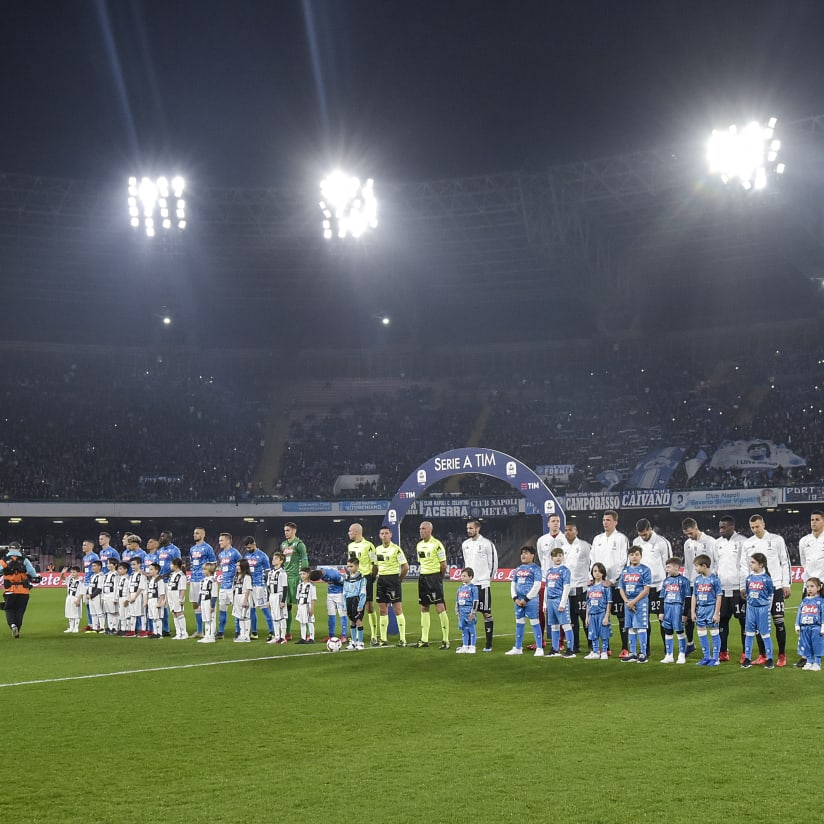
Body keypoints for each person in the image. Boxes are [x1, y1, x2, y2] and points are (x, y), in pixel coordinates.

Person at [741, 514, 791, 667]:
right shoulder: (747, 543)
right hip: (756, 588)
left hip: (775, 586)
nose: (755, 530)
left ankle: (781, 655)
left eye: (757, 526)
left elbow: (785, 562)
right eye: (752, 527)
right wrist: (743, 586)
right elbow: (744, 566)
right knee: (757, 623)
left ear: (763, 524)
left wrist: (786, 583)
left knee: (778, 621)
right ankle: (762, 655)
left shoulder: (776, 539)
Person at [589, 510, 629, 657]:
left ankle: (625, 648)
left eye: (608, 520)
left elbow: (623, 561)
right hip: (599, 585)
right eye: (604, 520)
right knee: (601, 615)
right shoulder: (597, 539)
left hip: (615, 585)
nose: (605, 522)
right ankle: (606, 648)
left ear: (615, 522)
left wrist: (612, 580)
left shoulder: (621, 539)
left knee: (620, 616)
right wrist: (593, 577)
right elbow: (592, 559)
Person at [634, 518, 671, 656]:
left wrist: (667, 586)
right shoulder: (636, 542)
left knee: (663, 619)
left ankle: (667, 649)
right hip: (643, 588)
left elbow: (669, 565)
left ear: (650, 529)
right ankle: (645, 649)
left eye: (645, 534)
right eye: (640, 534)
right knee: (644, 619)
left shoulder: (662, 542)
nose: (643, 537)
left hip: (660, 587)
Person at [681, 518, 718, 656]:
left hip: (707, 585)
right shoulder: (687, 544)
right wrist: (686, 581)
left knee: (709, 616)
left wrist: (712, 579)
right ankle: (690, 644)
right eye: (687, 534)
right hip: (691, 583)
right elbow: (687, 565)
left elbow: (717, 563)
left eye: (691, 533)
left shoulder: (711, 542)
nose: (689, 536)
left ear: (696, 527)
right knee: (688, 616)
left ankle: (716, 649)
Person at [462, 519, 497, 652]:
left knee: (486, 613)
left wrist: (487, 579)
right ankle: (468, 643)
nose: (469, 530)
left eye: (471, 528)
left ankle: (489, 643)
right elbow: (466, 563)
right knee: (467, 613)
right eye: (467, 528)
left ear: (478, 529)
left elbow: (493, 564)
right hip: (469, 586)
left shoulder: (487, 544)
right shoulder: (465, 544)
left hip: (482, 584)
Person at [413, 521, 450, 650]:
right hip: (423, 577)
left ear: (430, 530)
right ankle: (424, 639)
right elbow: (421, 562)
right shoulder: (419, 545)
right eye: (420, 528)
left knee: (439, 607)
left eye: (424, 528)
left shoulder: (437, 545)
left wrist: (439, 578)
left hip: (434, 577)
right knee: (424, 607)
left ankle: (445, 640)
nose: (421, 531)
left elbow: (443, 564)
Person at [715, 515, 747, 662]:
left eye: (724, 527)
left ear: (732, 526)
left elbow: (745, 566)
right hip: (722, 589)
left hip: (737, 589)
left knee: (744, 621)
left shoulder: (742, 541)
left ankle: (745, 652)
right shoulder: (717, 543)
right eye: (720, 527)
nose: (721, 530)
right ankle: (723, 652)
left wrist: (743, 586)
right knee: (722, 621)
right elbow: (716, 565)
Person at [558, 520, 591, 653]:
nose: (568, 532)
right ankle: (575, 646)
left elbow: (592, 561)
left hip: (581, 588)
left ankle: (592, 645)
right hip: (568, 589)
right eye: (566, 530)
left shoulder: (584, 545)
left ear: (576, 531)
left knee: (585, 618)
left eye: (570, 530)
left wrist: (590, 578)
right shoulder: (563, 548)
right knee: (572, 620)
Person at [505, 545, 544, 656]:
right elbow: (513, 584)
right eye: (522, 553)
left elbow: (537, 585)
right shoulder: (518, 569)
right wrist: (515, 598)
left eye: (526, 553)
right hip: (518, 601)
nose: (523, 555)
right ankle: (518, 648)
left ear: (532, 555)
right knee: (519, 623)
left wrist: (527, 598)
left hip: (531, 600)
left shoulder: (536, 569)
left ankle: (539, 648)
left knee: (534, 622)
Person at [797, 511, 824, 667]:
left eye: (817, 519)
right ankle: (805, 655)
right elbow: (803, 562)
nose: (813, 522)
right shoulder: (804, 541)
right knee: (806, 621)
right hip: (808, 586)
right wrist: (810, 584)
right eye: (812, 519)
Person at [741, 552, 775, 670]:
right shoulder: (749, 578)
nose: (751, 564)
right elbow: (748, 594)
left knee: (765, 634)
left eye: (753, 562)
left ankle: (769, 659)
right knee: (749, 633)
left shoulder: (767, 579)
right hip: (751, 609)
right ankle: (747, 658)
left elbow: (770, 595)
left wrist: (767, 609)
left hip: (763, 609)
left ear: (761, 564)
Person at [375, 525, 408, 647]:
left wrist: (399, 580)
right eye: (382, 533)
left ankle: (403, 639)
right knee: (382, 610)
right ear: (380, 535)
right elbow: (375, 565)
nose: (384, 535)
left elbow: (405, 567)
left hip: (393, 579)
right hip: (381, 580)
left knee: (397, 610)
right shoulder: (377, 550)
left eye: (386, 533)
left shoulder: (396, 549)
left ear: (390, 535)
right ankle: (383, 639)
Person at [534, 513, 564, 648]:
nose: (556, 523)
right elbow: (542, 558)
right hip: (545, 579)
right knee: (540, 610)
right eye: (553, 521)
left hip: (560, 581)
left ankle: (561, 641)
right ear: (548, 524)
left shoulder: (565, 539)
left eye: (557, 521)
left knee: (560, 610)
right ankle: (540, 641)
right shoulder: (542, 540)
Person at [619, 546, 651, 663]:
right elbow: (621, 588)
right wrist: (627, 601)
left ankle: (643, 653)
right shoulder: (625, 570)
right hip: (628, 602)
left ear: (641, 556)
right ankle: (632, 653)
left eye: (637, 554)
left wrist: (633, 602)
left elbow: (646, 590)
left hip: (640, 602)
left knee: (641, 627)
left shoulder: (645, 570)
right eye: (632, 554)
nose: (634, 557)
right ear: (629, 556)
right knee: (631, 627)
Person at [346, 523, 377, 644]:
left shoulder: (368, 546)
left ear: (356, 531)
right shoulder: (350, 546)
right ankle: (356, 635)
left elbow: (375, 563)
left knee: (368, 606)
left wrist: (372, 577)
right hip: (354, 580)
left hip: (365, 578)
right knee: (353, 606)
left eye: (350, 531)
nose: (348, 533)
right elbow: (350, 563)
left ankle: (374, 635)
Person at [691, 554, 722, 666]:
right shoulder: (697, 580)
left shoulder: (715, 579)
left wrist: (716, 613)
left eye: (697, 566)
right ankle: (706, 657)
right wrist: (693, 612)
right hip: (700, 609)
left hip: (711, 608)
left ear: (704, 566)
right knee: (701, 633)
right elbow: (694, 596)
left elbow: (719, 596)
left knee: (714, 633)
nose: (695, 568)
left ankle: (715, 658)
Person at [545, 547, 575, 658]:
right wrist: (544, 603)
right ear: (552, 558)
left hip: (559, 599)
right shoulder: (549, 571)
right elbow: (547, 587)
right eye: (555, 556)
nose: (558, 558)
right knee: (554, 626)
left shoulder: (565, 570)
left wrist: (562, 603)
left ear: (563, 557)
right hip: (550, 601)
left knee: (566, 625)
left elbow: (566, 587)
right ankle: (555, 649)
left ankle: (570, 650)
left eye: (560, 555)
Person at [281, 522, 309, 641]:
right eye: (285, 530)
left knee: (301, 606)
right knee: (286, 607)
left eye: (288, 530)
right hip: (286, 579)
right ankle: (288, 633)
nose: (286, 532)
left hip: (296, 578)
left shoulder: (299, 544)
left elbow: (304, 559)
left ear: (294, 531)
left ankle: (307, 633)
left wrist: (305, 576)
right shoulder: (283, 544)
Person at [659, 557, 690, 664]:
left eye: (668, 567)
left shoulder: (684, 581)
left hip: (678, 607)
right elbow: (662, 597)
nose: (666, 569)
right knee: (668, 630)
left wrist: (685, 613)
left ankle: (681, 655)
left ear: (676, 567)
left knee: (679, 631)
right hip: (667, 606)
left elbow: (687, 598)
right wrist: (661, 611)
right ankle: (669, 655)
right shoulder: (666, 581)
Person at [242, 537, 274, 641]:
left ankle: (272, 632)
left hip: (259, 586)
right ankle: (254, 632)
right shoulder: (246, 556)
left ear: (254, 544)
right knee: (251, 610)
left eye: (249, 547)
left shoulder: (263, 556)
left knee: (264, 609)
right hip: (249, 587)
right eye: (246, 547)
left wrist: (268, 587)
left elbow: (268, 572)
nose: (248, 549)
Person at [188, 527, 216, 639]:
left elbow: (213, 564)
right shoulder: (192, 549)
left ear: (203, 535)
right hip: (193, 579)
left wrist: (210, 578)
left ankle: (210, 630)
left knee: (206, 604)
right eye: (194, 533)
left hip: (203, 580)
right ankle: (199, 631)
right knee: (195, 604)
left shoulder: (208, 548)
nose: (195, 535)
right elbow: (192, 563)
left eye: (197, 533)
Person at [308, 566, 349, 640]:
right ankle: (331, 635)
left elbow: (345, 582)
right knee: (331, 614)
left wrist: (346, 595)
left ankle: (344, 636)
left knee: (342, 614)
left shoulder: (333, 574)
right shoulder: (319, 571)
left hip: (340, 594)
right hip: (330, 594)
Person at [794, 576, 824, 672]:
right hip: (805, 628)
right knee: (806, 645)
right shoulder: (804, 601)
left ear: (818, 588)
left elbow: (823, 614)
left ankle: (817, 662)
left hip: (816, 628)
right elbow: (799, 613)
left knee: (817, 645)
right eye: (807, 586)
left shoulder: (821, 601)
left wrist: (823, 627)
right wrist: (797, 625)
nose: (809, 589)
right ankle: (809, 661)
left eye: (812, 586)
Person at [216, 532, 242, 640]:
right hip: (223, 586)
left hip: (232, 586)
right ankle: (220, 632)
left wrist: (238, 581)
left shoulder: (235, 553)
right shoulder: (221, 555)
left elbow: (241, 567)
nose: (219, 542)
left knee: (236, 610)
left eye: (222, 540)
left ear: (228, 541)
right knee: (222, 610)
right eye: (219, 540)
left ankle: (238, 631)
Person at [584, 562, 612, 660]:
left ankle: (604, 652)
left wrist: (606, 616)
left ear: (603, 573)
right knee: (593, 633)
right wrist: (587, 617)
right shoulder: (590, 587)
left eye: (599, 571)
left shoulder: (605, 586)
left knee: (604, 633)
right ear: (592, 572)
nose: (597, 573)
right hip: (592, 614)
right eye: (595, 571)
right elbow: (588, 602)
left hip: (602, 613)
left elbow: (609, 602)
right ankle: (595, 652)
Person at [157, 531, 181, 636]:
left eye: (163, 536)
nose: (161, 538)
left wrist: (164, 576)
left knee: (172, 605)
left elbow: (178, 566)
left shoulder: (175, 550)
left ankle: (176, 629)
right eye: (160, 536)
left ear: (169, 538)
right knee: (162, 605)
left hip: (170, 581)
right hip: (160, 581)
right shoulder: (160, 550)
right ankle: (164, 628)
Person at [343, 558, 366, 651]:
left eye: (351, 566)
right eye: (348, 566)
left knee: (358, 621)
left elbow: (363, 593)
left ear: (357, 566)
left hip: (357, 600)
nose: (349, 568)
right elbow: (344, 592)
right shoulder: (347, 578)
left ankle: (360, 643)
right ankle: (353, 642)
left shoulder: (361, 578)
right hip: (348, 601)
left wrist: (360, 605)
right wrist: (344, 605)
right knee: (352, 621)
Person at [266, 552, 289, 644]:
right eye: (273, 558)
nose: (273, 560)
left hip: (279, 595)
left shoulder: (282, 573)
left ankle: (283, 637)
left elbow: (285, 587)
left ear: (281, 561)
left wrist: (283, 600)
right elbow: (268, 587)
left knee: (282, 617)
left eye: (276, 558)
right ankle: (276, 637)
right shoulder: (270, 573)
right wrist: (268, 600)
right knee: (274, 617)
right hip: (272, 596)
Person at [455, 567, 479, 654]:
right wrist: (457, 611)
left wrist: (473, 612)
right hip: (462, 612)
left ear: (470, 577)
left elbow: (475, 601)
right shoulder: (460, 588)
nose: (462, 577)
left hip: (469, 611)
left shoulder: (473, 588)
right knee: (464, 630)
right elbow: (457, 601)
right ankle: (465, 646)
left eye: (464, 576)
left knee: (471, 630)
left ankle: (472, 646)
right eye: (462, 576)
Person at [80, 539, 100, 631]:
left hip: (92, 583)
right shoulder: (85, 557)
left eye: (85, 545)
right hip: (86, 582)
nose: (83, 547)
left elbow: (98, 568)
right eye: (83, 545)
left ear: (91, 546)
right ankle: (90, 623)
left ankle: (97, 624)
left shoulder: (94, 556)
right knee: (88, 605)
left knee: (94, 604)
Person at [126, 557, 148, 638]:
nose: (132, 566)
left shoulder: (142, 574)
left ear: (139, 564)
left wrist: (134, 597)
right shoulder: (132, 575)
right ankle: (132, 631)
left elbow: (141, 587)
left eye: (134, 564)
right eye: (131, 564)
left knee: (142, 613)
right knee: (132, 614)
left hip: (139, 595)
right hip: (132, 595)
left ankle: (143, 630)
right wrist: (129, 597)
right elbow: (129, 587)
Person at [232, 558, 253, 643]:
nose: (237, 567)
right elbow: (234, 589)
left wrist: (245, 600)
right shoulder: (236, 577)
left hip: (243, 597)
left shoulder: (247, 577)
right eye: (237, 565)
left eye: (239, 565)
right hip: (237, 597)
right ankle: (242, 634)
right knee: (240, 616)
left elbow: (248, 589)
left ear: (243, 566)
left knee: (245, 616)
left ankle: (247, 635)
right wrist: (233, 600)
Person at [167, 557, 188, 640]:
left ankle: (184, 633)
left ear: (175, 565)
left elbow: (183, 589)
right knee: (174, 613)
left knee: (179, 613)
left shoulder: (181, 575)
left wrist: (181, 599)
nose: (170, 565)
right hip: (171, 595)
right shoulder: (172, 574)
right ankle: (178, 632)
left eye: (171, 564)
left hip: (177, 596)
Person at [295, 566, 316, 644]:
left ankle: (311, 638)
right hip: (301, 605)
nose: (302, 575)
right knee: (302, 622)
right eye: (301, 574)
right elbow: (298, 597)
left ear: (308, 574)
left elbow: (313, 598)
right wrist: (297, 606)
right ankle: (303, 638)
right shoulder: (299, 585)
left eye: (304, 574)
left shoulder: (311, 586)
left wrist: (312, 608)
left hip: (308, 605)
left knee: (310, 622)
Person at [197, 562, 218, 644]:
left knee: (211, 619)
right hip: (203, 602)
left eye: (205, 569)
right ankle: (206, 635)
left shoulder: (213, 581)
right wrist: (199, 604)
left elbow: (214, 595)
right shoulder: (202, 580)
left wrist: (212, 606)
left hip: (209, 601)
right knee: (205, 619)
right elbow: (200, 592)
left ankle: (212, 636)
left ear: (209, 570)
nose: (203, 571)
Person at [146, 563, 167, 639]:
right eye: (149, 569)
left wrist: (159, 602)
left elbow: (162, 593)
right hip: (151, 599)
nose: (149, 571)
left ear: (157, 570)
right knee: (153, 617)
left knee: (157, 617)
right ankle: (155, 632)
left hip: (156, 599)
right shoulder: (151, 579)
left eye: (151, 569)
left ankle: (159, 633)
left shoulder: (159, 580)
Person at [63, 566, 85, 633]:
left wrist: (78, 600)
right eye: (71, 572)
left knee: (76, 613)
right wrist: (62, 573)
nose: (72, 574)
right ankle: (71, 627)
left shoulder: (80, 581)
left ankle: (76, 627)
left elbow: (81, 592)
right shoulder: (70, 579)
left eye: (74, 572)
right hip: (69, 597)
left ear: (78, 573)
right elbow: (62, 578)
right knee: (69, 612)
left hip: (76, 598)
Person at [86, 559, 105, 633]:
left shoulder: (101, 576)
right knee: (93, 613)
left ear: (99, 567)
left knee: (99, 612)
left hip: (97, 596)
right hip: (91, 596)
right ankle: (95, 628)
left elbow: (99, 588)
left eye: (94, 566)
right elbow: (90, 586)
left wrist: (91, 595)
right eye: (92, 566)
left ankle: (102, 628)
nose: (93, 567)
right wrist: (87, 593)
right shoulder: (93, 576)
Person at [102, 558, 120, 635]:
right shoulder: (106, 574)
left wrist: (116, 597)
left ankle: (115, 628)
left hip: (112, 594)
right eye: (108, 563)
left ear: (115, 565)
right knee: (108, 612)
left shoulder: (116, 574)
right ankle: (110, 627)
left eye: (110, 563)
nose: (108, 565)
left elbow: (116, 586)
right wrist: (102, 596)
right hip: (106, 595)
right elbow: (103, 585)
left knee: (115, 612)